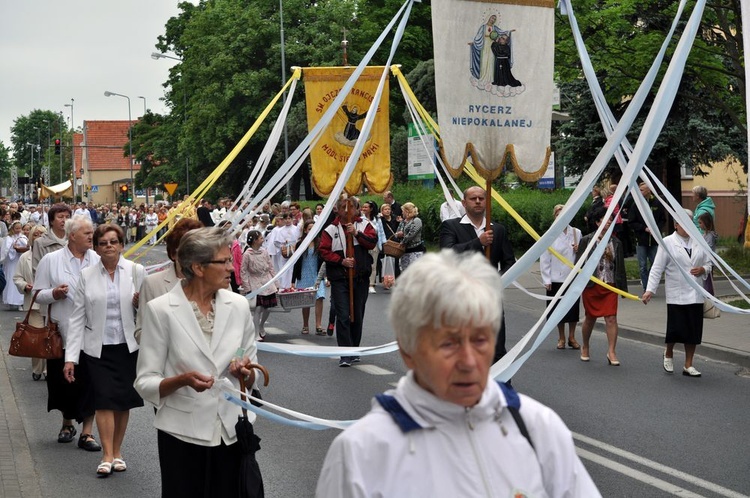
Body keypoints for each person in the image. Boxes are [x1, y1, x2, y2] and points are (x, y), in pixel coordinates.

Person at [316, 250, 600, 497]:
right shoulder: (362, 452)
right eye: (448, 343)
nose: (468, 361)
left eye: (480, 340)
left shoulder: (537, 428)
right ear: (408, 350)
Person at [135, 227, 263, 497]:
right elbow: (145, 381)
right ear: (199, 268)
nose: (231, 267)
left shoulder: (239, 306)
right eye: (224, 261)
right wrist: (182, 380)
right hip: (182, 435)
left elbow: (253, 372)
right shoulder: (161, 310)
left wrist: (245, 373)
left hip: (231, 432)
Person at [63, 224, 145, 476]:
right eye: (103, 243)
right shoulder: (86, 275)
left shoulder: (136, 271)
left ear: (121, 244)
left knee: (122, 403)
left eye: (113, 241)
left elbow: (148, 312)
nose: (109, 246)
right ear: (96, 248)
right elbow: (77, 318)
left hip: (128, 347)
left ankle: (118, 452)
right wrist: (70, 359)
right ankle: (107, 454)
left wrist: (139, 304)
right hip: (96, 349)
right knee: (103, 401)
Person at [33, 215, 101, 451]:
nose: (91, 236)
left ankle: (88, 433)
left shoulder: (98, 260)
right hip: (62, 334)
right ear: (72, 236)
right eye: (86, 233)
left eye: (92, 232)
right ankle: (67, 424)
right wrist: (54, 293)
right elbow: (37, 293)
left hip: (92, 332)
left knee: (90, 381)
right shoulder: (51, 260)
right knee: (64, 382)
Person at [439, 186, 515, 363]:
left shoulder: (498, 229)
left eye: (481, 198)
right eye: (473, 199)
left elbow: (509, 261)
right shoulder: (452, 226)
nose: (478, 201)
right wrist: (477, 242)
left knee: (496, 346)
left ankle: (500, 385)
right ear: (464, 203)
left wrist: (498, 281)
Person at [642, 210, 711, 377]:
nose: (686, 226)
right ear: (676, 225)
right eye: (682, 222)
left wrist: (703, 269)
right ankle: (668, 352)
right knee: (675, 329)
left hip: (695, 293)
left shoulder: (699, 241)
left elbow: (709, 263)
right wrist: (650, 290)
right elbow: (657, 268)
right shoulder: (668, 242)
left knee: (693, 331)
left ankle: (688, 364)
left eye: (689, 222)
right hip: (677, 293)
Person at [319, 197, 377, 367]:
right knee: (343, 315)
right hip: (340, 278)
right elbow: (323, 251)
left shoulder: (364, 225)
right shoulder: (330, 230)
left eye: (351, 207)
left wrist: (357, 234)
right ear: (337, 209)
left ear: (358, 209)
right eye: (343, 207)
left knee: (357, 314)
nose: (347, 210)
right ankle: (345, 353)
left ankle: (354, 349)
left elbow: (372, 243)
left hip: (360, 277)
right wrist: (341, 261)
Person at [575, 206, 628, 366]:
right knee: (590, 318)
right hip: (592, 285)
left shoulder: (616, 242)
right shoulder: (586, 240)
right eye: (606, 220)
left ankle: (611, 351)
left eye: (611, 219)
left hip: (610, 285)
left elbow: (621, 266)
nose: (610, 222)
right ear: (598, 222)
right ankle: (585, 346)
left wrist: (623, 289)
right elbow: (578, 264)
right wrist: (577, 285)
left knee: (611, 318)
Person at [540, 204, 582, 350]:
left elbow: (582, 255)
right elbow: (545, 258)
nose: (561, 217)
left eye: (563, 214)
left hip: (572, 277)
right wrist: (546, 279)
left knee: (573, 309)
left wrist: (579, 250)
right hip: (556, 278)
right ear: (555, 217)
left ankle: (572, 336)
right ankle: (561, 337)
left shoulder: (576, 232)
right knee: (557, 310)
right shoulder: (550, 235)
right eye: (558, 215)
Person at [13, 225, 48, 380]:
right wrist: (25, 286)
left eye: (42, 234)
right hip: (33, 304)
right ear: (31, 237)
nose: (38, 236)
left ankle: (48, 370)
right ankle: (37, 369)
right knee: (37, 338)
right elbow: (17, 278)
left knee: (51, 336)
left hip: (51, 303)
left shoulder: (52, 256)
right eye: (36, 234)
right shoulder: (25, 257)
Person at [241, 229, 278, 341]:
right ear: (255, 241)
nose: (262, 240)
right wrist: (247, 287)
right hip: (255, 282)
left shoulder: (264, 252)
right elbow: (243, 271)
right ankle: (256, 332)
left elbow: (271, 267)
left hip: (267, 281)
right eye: (261, 238)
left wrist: (276, 282)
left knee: (268, 308)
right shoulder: (247, 254)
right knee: (258, 308)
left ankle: (262, 325)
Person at [629, 182, 666, 292]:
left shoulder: (657, 203)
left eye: (642, 190)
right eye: (639, 190)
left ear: (649, 190)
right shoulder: (636, 204)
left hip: (654, 241)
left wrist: (655, 229)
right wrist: (644, 228)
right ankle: (646, 287)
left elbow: (663, 220)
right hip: (641, 240)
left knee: (654, 263)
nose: (640, 192)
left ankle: (651, 284)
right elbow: (631, 222)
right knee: (642, 265)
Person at [291, 220, 326, 335]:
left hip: (317, 275)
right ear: (305, 230)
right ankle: (305, 325)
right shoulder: (300, 244)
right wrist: (293, 280)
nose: (311, 230)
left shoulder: (320, 243)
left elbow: (324, 262)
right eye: (309, 228)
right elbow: (296, 263)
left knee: (319, 297)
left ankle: (318, 325)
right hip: (304, 275)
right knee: (306, 301)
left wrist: (326, 277)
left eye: (313, 228)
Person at [2, 220, 28, 310]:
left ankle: (20, 302)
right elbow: (5, 251)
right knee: (10, 279)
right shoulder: (9, 238)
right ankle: (10, 301)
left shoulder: (23, 237)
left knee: (20, 279)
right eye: (16, 228)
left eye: (20, 228)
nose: (18, 230)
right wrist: (13, 248)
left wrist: (20, 248)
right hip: (11, 262)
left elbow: (28, 247)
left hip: (20, 260)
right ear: (12, 228)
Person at [394, 202, 425, 273]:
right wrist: (397, 235)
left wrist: (403, 239)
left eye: (403, 211)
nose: (402, 213)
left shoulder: (417, 220)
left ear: (407, 211)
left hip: (415, 251)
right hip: (404, 251)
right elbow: (397, 233)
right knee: (405, 272)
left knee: (415, 272)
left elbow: (411, 234)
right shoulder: (403, 222)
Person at [360, 200, 380, 293]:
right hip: (363, 244)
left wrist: (383, 244)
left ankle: (371, 284)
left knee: (373, 265)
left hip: (374, 244)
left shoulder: (377, 219)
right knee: (363, 264)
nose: (364, 209)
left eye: (366, 207)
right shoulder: (360, 219)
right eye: (363, 207)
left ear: (371, 209)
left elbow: (381, 232)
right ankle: (363, 283)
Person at [698, 212, 717, 295]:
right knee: (704, 282)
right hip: (703, 262)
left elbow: (707, 248)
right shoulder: (704, 235)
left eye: (700, 223)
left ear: (705, 223)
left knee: (708, 283)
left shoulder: (710, 236)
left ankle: (710, 298)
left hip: (709, 262)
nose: (699, 225)